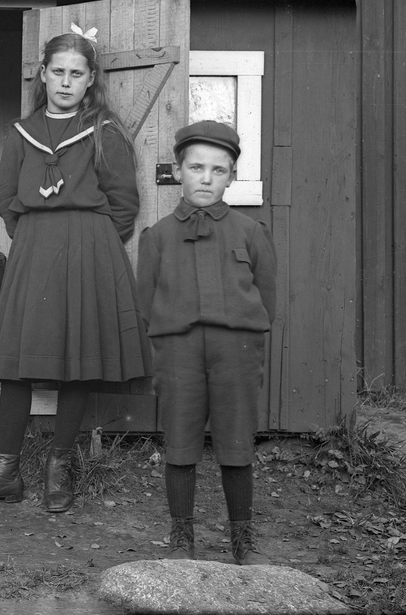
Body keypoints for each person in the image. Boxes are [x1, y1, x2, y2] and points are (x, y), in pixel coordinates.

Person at [0, 26, 152, 512]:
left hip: (90, 252)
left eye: (76, 74)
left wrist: (93, 244)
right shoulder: (20, 134)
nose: (65, 81)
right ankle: (6, 471)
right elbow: (7, 200)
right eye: (57, 71)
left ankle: (59, 467)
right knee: (16, 362)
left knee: (76, 361)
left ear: (91, 79)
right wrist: (36, 241)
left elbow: (124, 204)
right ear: (42, 74)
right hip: (34, 249)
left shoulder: (104, 132)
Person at [136, 120, 277, 565]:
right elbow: (146, 301)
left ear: (231, 177)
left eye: (218, 170)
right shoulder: (157, 236)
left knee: (236, 440)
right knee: (180, 440)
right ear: (178, 171)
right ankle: (182, 538)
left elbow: (267, 297)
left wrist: (240, 334)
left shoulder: (250, 232)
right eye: (196, 167)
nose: (206, 178)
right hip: (178, 351)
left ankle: (242, 540)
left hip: (235, 350)